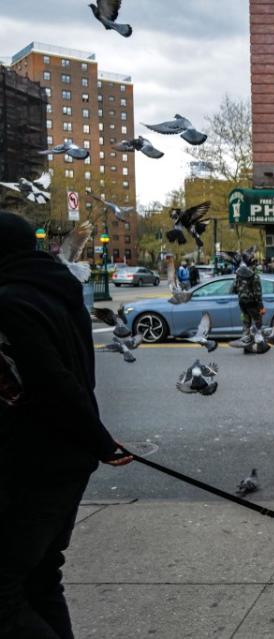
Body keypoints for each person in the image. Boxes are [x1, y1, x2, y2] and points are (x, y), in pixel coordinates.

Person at [0, 211, 132, 639]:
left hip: (34, 462)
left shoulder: (10, 301)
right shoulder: (59, 290)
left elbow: (52, 380)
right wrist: (95, 440)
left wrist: (100, 440)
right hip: (68, 456)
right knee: (40, 578)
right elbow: (77, 375)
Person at [234, 255, 265, 348]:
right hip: (252, 303)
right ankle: (258, 342)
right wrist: (261, 306)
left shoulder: (238, 275)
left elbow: (235, 289)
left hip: (242, 303)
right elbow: (257, 293)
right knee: (258, 322)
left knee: (246, 323)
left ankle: (246, 342)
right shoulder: (254, 276)